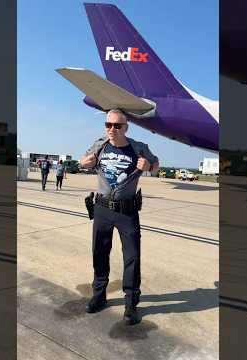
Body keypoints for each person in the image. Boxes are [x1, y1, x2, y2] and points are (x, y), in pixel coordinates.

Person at [80, 109, 159, 325]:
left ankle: (131, 303)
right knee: (99, 252)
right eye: (108, 124)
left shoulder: (139, 148)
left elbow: (156, 164)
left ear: (126, 127)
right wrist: (84, 163)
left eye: (117, 126)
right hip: (102, 209)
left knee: (132, 256)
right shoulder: (100, 145)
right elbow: (83, 160)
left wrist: (149, 166)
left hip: (127, 211)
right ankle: (99, 295)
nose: (111, 129)